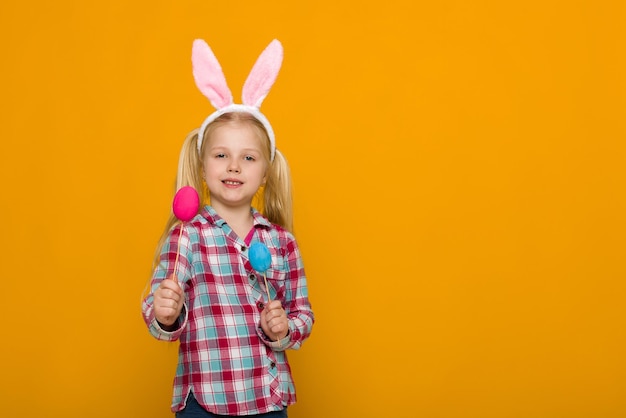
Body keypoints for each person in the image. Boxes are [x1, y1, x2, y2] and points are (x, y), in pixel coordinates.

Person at [141, 39, 314, 417]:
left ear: (265, 173)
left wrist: (284, 329)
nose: (233, 166)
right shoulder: (187, 235)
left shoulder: (281, 242)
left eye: (247, 158)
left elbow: (303, 313)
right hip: (204, 401)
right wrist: (165, 313)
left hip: (266, 400)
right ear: (203, 167)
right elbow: (156, 312)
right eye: (221, 155)